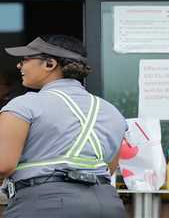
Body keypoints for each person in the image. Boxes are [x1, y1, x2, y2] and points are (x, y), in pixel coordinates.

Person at [0, 35, 127, 218]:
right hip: (107, 204)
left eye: (25, 59)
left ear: (50, 64)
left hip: (45, 205)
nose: (20, 66)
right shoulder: (113, 112)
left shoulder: (24, 105)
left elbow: (3, 165)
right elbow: (108, 168)